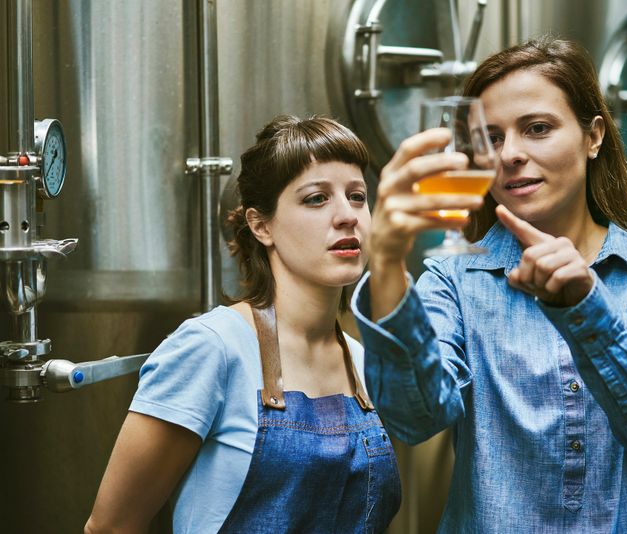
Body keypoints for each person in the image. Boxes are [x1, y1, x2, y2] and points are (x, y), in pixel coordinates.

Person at [353, 37, 627, 532]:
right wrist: (389, 260)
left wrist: (588, 308)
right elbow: (415, 419)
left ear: (594, 137)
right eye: (492, 138)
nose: (511, 155)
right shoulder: (455, 279)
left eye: (537, 128)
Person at [85, 116, 401, 533]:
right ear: (261, 225)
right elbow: (111, 528)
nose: (347, 216)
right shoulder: (213, 347)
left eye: (358, 196)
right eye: (316, 199)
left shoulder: (363, 362)